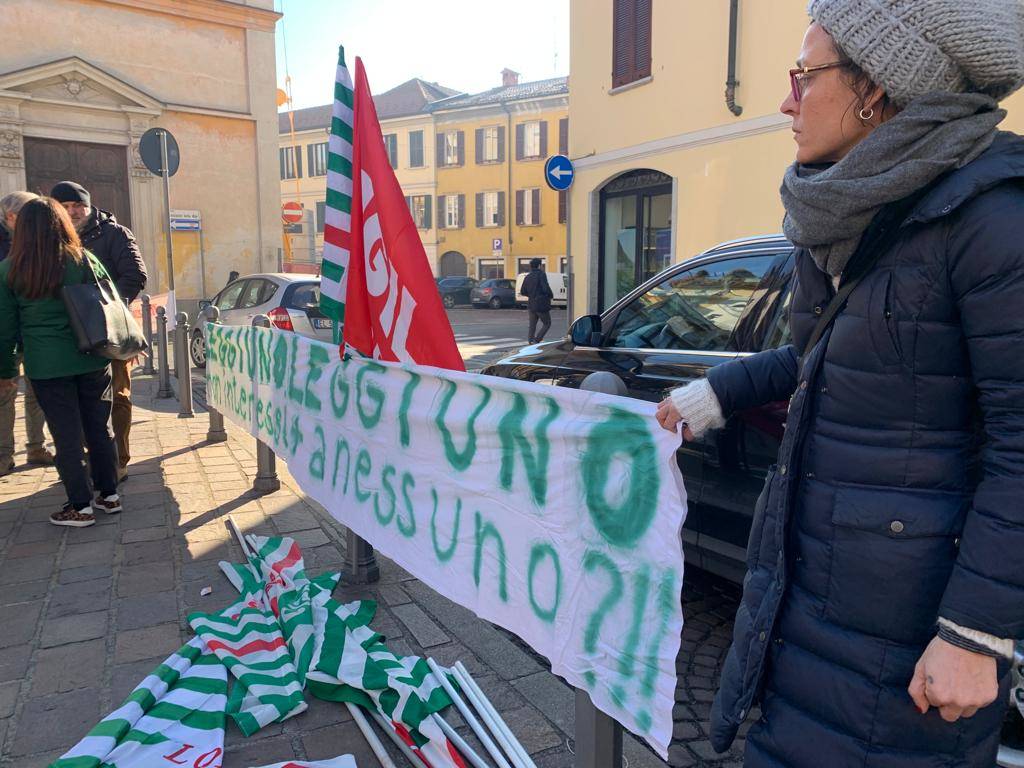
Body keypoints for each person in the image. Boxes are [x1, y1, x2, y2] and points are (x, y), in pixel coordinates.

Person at [656, 2, 1024, 765]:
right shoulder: (852, 212)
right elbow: (831, 354)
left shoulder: (991, 221)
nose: (786, 101)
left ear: (878, 90)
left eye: (804, 74)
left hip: (908, 644)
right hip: (814, 599)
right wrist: (715, 395)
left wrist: (975, 633)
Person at [0, 198, 121, 527]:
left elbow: (5, 328)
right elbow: (109, 300)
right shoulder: (84, 258)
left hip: (47, 365)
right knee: (99, 427)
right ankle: (108, 495)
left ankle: (79, 506)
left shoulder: (10, 269)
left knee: (65, 435)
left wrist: (7, 371)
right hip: (93, 357)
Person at [50, 181, 146, 483]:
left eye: (77, 205)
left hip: (110, 330)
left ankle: (118, 460)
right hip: (68, 332)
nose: (73, 211)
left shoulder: (114, 233)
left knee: (116, 396)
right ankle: (90, 457)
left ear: (88, 206)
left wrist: (105, 308)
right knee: (78, 399)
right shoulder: (53, 238)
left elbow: (135, 275)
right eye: (65, 207)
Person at [0, 192, 53, 475]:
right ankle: (3, 454)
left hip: (34, 333)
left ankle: (36, 447)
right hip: (5, 333)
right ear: (10, 217)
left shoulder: (37, 243)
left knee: (37, 392)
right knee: (4, 393)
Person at [519, 258, 553, 343]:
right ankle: (537, 340)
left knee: (532, 325)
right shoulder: (541, 275)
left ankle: (530, 341)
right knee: (547, 323)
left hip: (531, 304)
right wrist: (550, 295)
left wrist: (531, 295)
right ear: (539, 265)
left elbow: (523, 291)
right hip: (541, 304)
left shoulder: (527, 276)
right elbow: (545, 288)